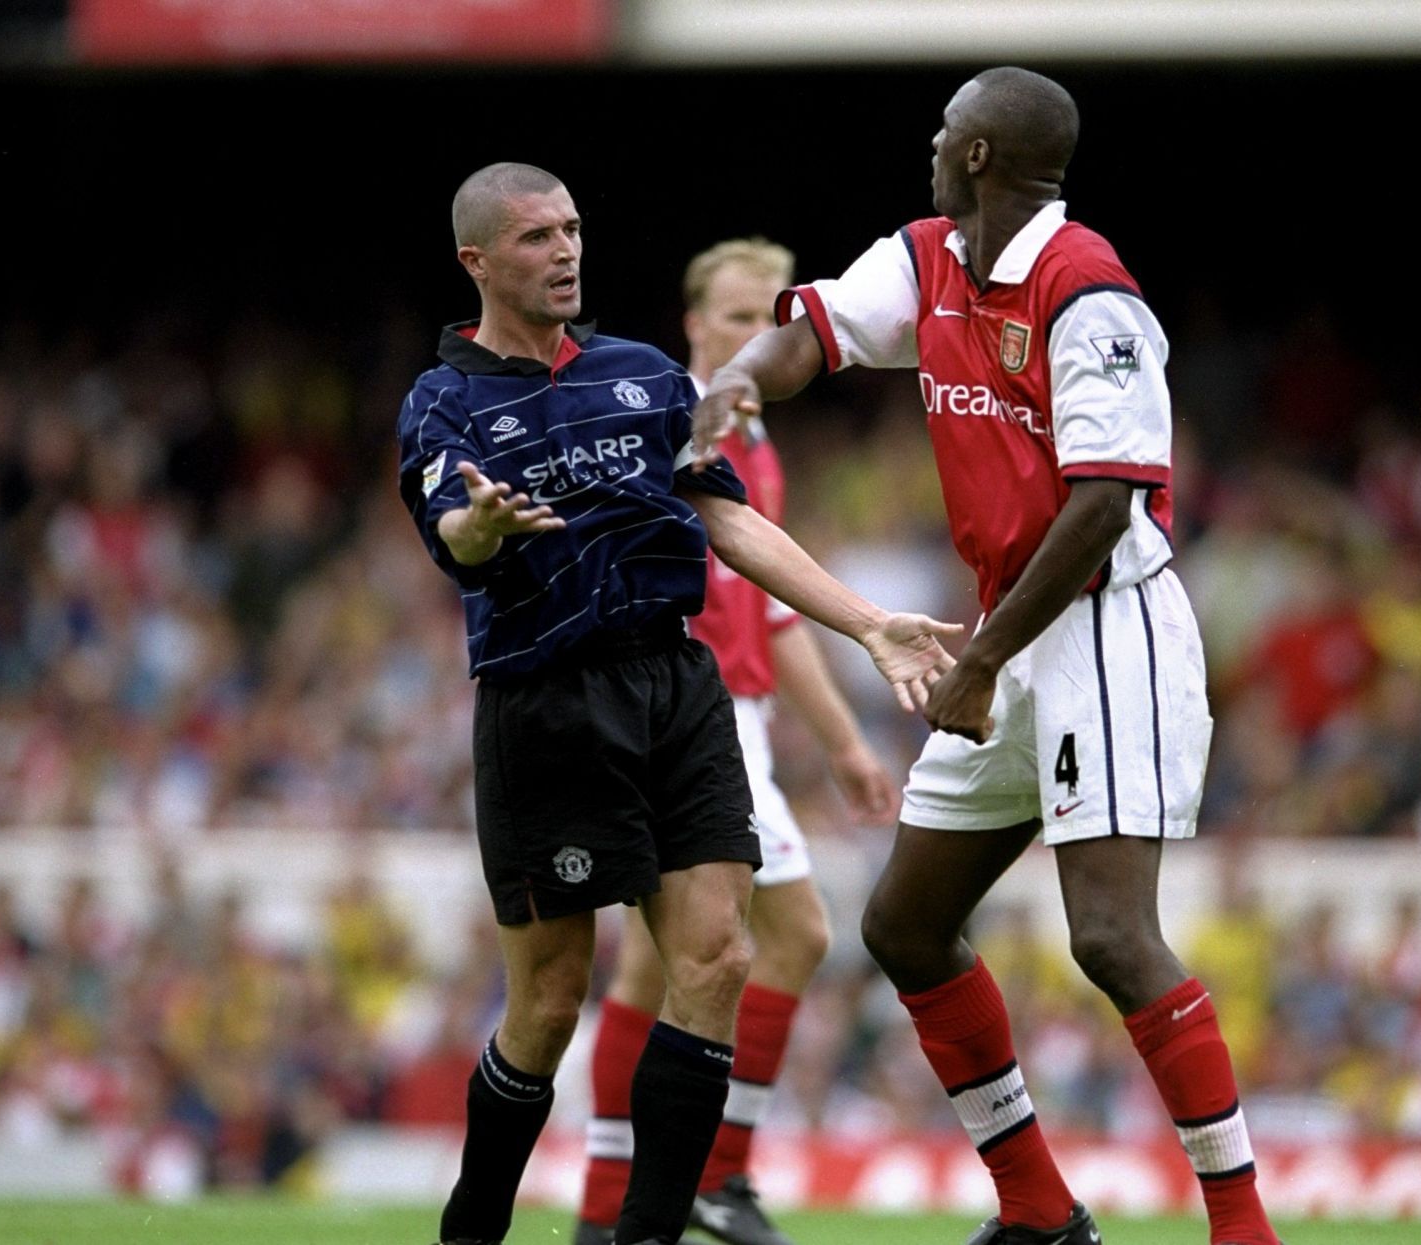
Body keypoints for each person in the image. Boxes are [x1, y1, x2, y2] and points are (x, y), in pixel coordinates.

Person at [690, 69, 1283, 1245]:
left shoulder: (1089, 290)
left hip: (1104, 629)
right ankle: (1038, 1210)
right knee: (905, 925)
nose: (931, 139)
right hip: (1009, 632)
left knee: (1111, 937)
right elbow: (811, 335)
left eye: (945, 128)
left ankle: (1242, 1224)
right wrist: (732, 393)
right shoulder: (929, 259)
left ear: (976, 155)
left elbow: (1107, 502)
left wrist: (976, 664)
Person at [398, 162, 961, 1245]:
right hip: (543, 703)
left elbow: (730, 523)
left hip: (675, 684)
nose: (564, 252)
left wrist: (868, 623)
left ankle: (649, 1235)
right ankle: (473, 1226)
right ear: (477, 261)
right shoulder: (444, 401)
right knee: (552, 1001)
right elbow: (453, 540)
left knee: (722, 957)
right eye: (534, 239)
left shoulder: (642, 373)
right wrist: (486, 531)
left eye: (571, 230)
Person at [574, 240, 900, 1245]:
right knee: (792, 934)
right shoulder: (670, 420)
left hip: (730, 714)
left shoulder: (755, 446)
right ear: (693, 324)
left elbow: (777, 618)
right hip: (688, 715)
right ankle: (720, 1172)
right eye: (734, 316)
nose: (755, 335)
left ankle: (601, 1214)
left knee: (647, 971)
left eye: (774, 318)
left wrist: (844, 741)